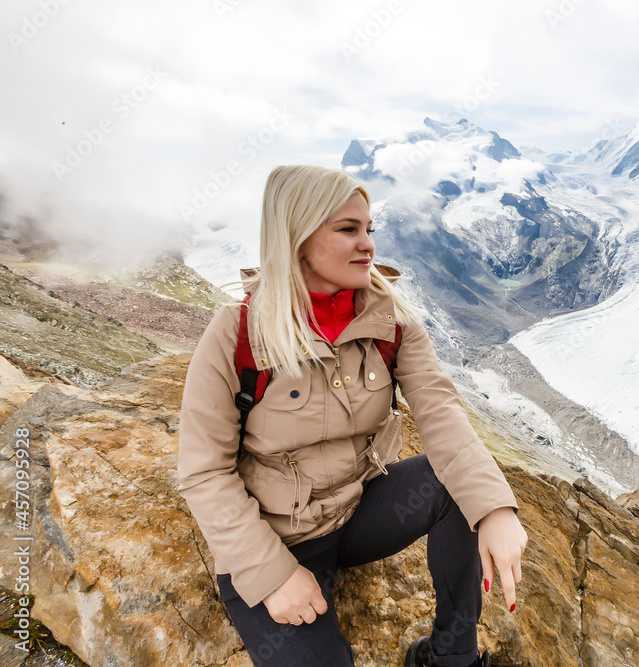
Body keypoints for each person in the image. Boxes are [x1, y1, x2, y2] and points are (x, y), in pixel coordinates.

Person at [177, 165, 527, 667]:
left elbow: (442, 415)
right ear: (296, 238)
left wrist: (493, 509)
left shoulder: (390, 319)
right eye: (348, 230)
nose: (368, 245)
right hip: (281, 538)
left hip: (356, 510)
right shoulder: (237, 333)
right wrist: (272, 573)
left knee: (457, 486)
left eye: (369, 230)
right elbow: (204, 471)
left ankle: (450, 657)